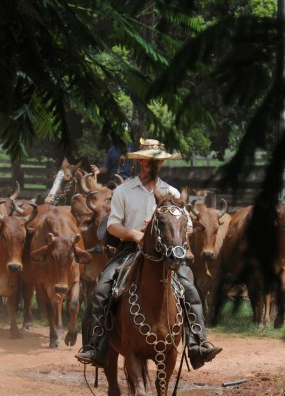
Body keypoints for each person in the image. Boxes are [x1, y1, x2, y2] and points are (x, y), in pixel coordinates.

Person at [76, 138, 222, 370]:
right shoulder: (123, 191)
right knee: (102, 288)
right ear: (140, 161)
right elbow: (112, 226)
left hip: (166, 256)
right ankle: (96, 346)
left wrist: (178, 231)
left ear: (161, 164)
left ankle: (197, 344)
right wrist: (135, 234)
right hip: (129, 251)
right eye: (147, 160)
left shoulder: (171, 192)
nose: (151, 165)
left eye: (157, 161)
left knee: (191, 290)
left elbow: (188, 225)